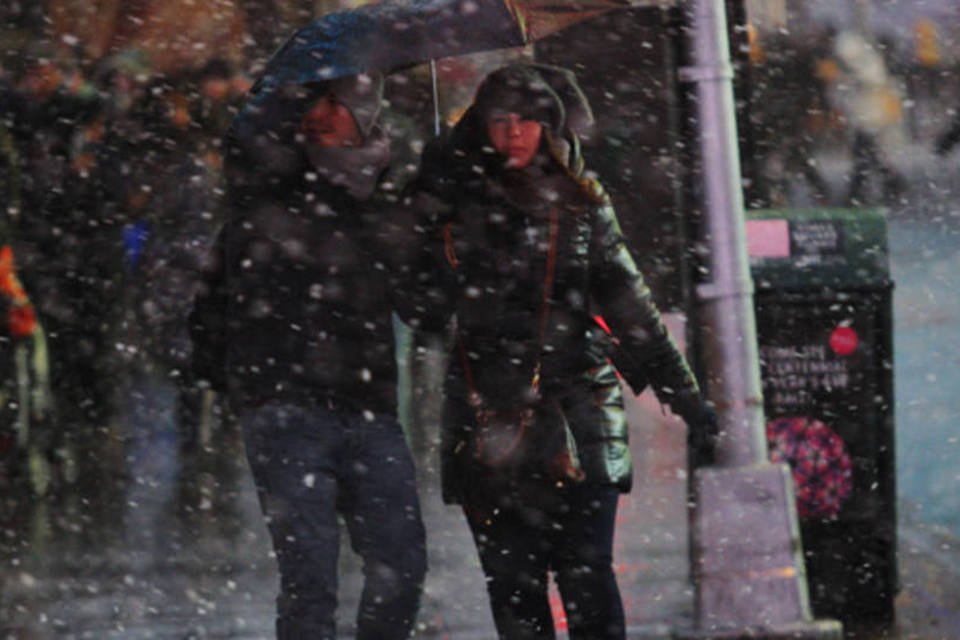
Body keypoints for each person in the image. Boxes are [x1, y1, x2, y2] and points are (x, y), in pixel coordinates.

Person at [406, 63, 715, 640]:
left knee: (587, 579)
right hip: (487, 421)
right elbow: (420, 312)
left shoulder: (580, 206)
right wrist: (426, 209)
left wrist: (686, 398)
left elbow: (631, 307)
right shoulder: (454, 206)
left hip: (578, 414)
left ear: (550, 126)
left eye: (528, 120)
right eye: (501, 120)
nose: (515, 132)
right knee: (514, 587)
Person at [189, 72, 427, 639]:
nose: (320, 114)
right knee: (310, 578)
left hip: (368, 405)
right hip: (286, 407)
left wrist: (428, 242)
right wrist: (246, 385)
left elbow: (427, 307)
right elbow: (215, 299)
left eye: (335, 103)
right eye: (312, 102)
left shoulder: (386, 198)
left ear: (365, 113)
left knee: (402, 566)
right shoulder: (266, 191)